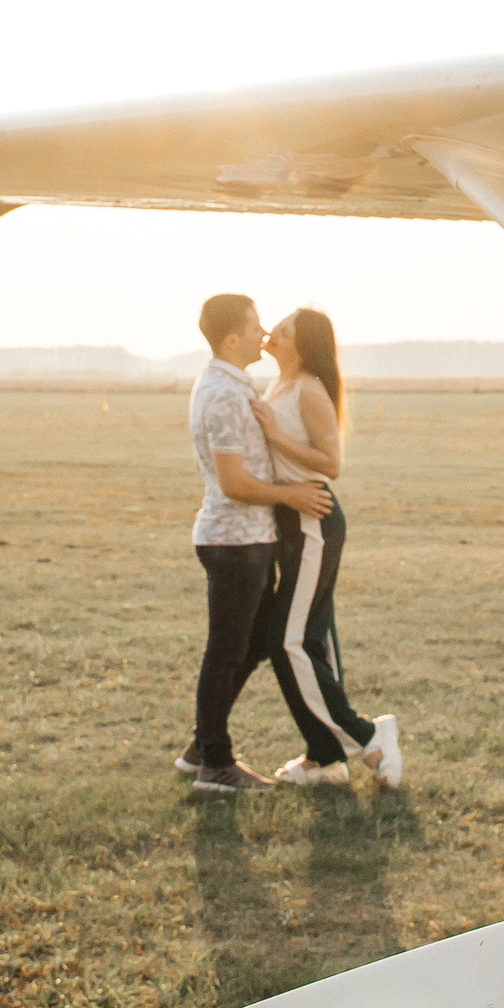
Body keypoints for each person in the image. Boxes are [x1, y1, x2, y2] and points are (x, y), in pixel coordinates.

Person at [180, 294, 334, 794]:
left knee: (250, 646)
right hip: (235, 543)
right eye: (254, 327)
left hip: (249, 540)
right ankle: (216, 766)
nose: (262, 333)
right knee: (227, 653)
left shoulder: (236, 385)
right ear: (230, 339)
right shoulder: (224, 393)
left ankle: (202, 747)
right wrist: (291, 495)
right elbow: (233, 482)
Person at [249, 307, 402, 786]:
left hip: (312, 520)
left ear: (303, 345)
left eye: (286, 331)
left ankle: (366, 737)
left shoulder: (309, 389)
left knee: (287, 641)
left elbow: (330, 463)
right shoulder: (277, 386)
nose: (273, 332)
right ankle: (325, 758)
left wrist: (273, 433)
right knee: (310, 638)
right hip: (291, 524)